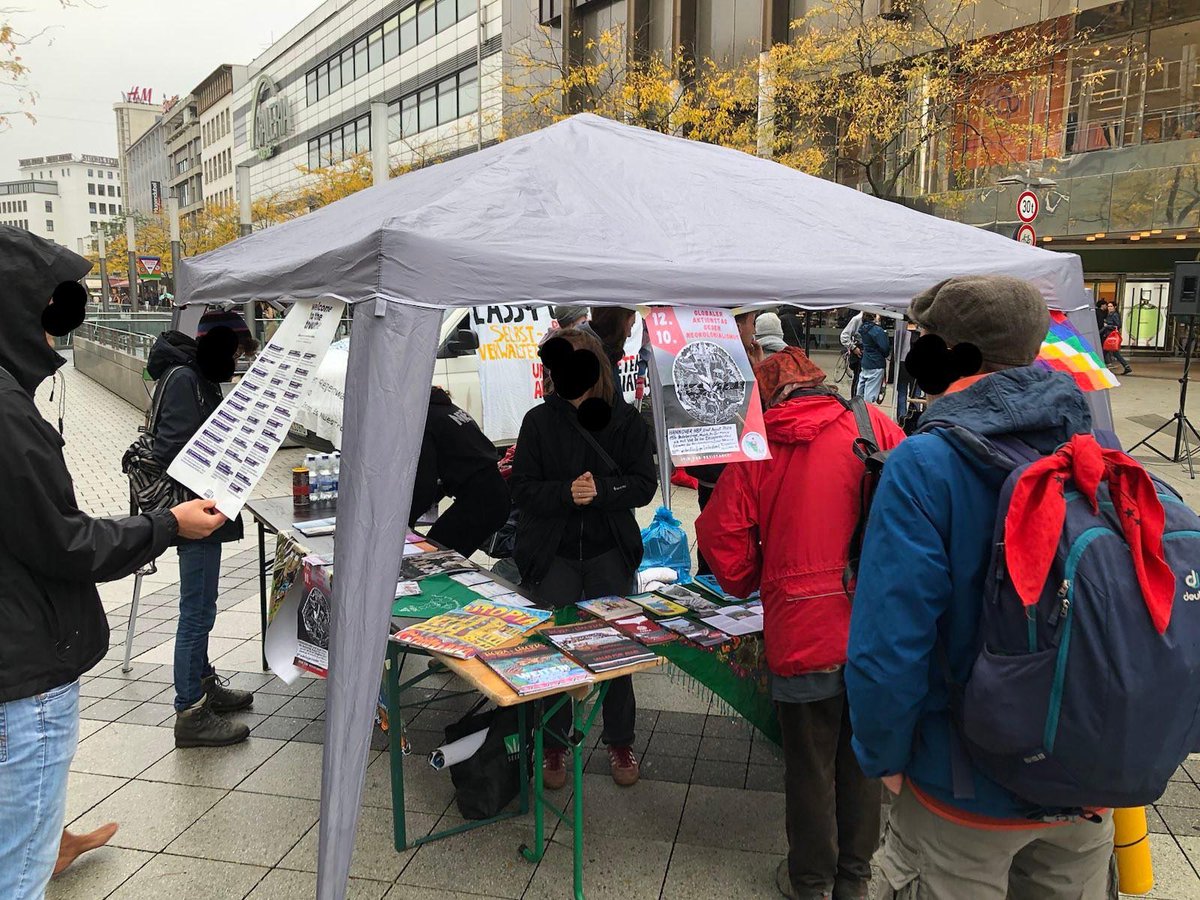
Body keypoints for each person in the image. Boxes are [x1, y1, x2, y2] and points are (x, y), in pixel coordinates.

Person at [846, 275, 1116, 899]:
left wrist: (883, 756)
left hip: (960, 787)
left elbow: (890, 640)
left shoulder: (925, 463)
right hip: (1084, 777)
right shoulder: (1091, 441)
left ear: (950, 351)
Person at [0, 228, 224, 899]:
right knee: (19, 874)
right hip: (24, 677)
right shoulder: (7, 414)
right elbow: (66, 542)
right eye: (50, 314)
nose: (59, 336)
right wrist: (167, 523)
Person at [696, 348, 904, 900]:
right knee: (862, 761)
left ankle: (812, 885)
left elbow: (723, 544)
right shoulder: (873, 423)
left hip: (800, 628)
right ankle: (854, 881)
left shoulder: (758, 447)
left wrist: (753, 578)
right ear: (818, 381)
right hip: (872, 628)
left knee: (809, 768)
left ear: (767, 398)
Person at [509, 327, 656, 788]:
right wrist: (564, 494)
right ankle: (553, 744)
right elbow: (523, 489)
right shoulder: (537, 422)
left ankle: (620, 741)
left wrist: (605, 491)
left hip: (608, 551)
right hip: (552, 556)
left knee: (616, 649)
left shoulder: (624, 420)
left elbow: (643, 484)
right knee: (552, 649)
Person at [147, 326, 254, 749]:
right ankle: (189, 710)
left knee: (203, 606)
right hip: (194, 512)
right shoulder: (184, 380)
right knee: (196, 611)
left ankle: (204, 684)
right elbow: (171, 450)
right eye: (235, 355)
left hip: (206, 509)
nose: (235, 365)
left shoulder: (195, 377)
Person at [413, 385, 510, 556]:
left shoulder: (425, 420)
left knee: (435, 555)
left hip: (482, 500)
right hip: (493, 493)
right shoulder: (447, 410)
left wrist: (407, 522)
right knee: (441, 551)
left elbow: (425, 484)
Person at [853, 313, 890, 404]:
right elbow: (885, 348)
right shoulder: (877, 330)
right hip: (876, 362)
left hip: (866, 361)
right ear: (874, 317)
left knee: (861, 388)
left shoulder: (863, 329)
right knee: (870, 393)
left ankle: (858, 408)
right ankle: (867, 413)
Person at [1100, 301, 1132, 375]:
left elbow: (1118, 325)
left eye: (1111, 306)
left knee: (1107, 352)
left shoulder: (1114, 315)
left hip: (1111, 336)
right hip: (1109, 336)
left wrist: (1107, 326)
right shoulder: (1110, 314)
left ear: (1115, 307)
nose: (1109, 308)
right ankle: (1126, 366)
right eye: (1108, 306)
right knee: (1110, 352)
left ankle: (1100, 367)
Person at [840, 310, 864, 395]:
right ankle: (855, 400)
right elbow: (844, 336)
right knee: (858, 377)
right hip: (859, 352)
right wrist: (853, 348)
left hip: (868, 353)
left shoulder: (875, 319)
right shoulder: (857, 319)